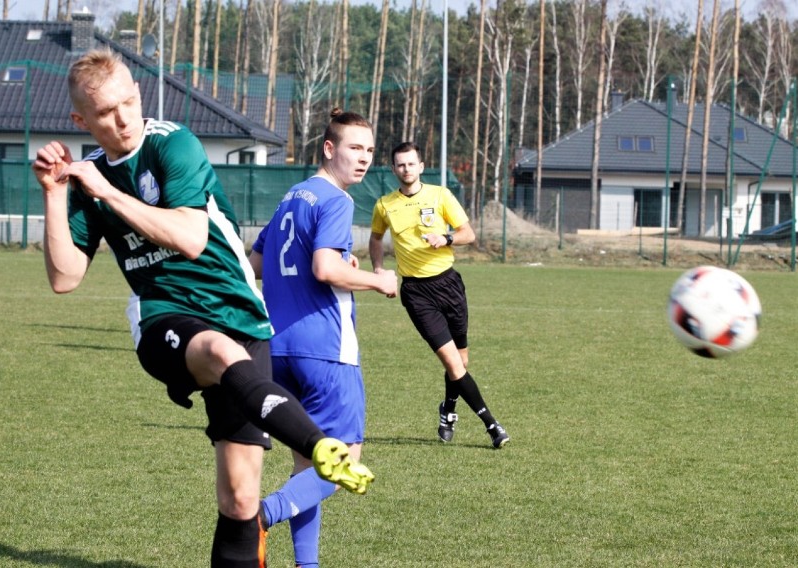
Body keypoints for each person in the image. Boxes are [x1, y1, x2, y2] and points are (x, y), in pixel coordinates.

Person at [31, 49, 373, 568]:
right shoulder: (90, 180)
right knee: (215, 349)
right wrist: (56, 195)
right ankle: (319, 445)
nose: (123, 118)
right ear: (81, 120)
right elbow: (64, 276)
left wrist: (106, 192)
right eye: (105, 112)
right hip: (165, 316)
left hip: (244, 318)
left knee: (240, 499)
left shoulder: (174, 144)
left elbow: (190, 236)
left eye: (129, 102)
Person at [248, 109, 398, 568]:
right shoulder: (336, 200)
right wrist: (379, 279)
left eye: (370, 151)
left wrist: (334, 268)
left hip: (277, 350)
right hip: (326, 351)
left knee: (306, 464)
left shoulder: (290, 198)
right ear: (329, 149)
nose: (365, 159)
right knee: (341, 465)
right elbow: (323, 268)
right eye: (355, 148)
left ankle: (306, 565)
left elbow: (255, 263)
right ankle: (259, 516)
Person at [368, 141, 510, 449]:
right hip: (417, 293)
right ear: (394, 170)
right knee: (453, 364)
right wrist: (379, 268)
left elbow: (468, 234)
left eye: (411, 163)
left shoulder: (440, 195)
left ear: (421, 166)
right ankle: (492, 425)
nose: (406, 169)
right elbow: (376, 239)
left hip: (449, 284)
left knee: (461, 361)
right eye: (400, 164)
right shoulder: (384, 205)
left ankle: (447, 409)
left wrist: (445, 238)